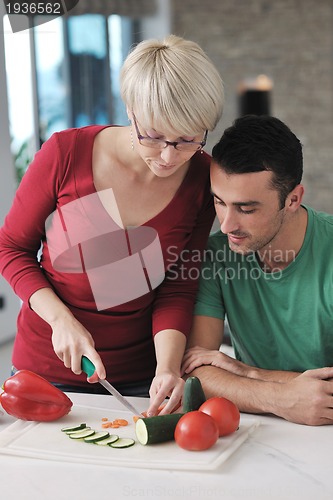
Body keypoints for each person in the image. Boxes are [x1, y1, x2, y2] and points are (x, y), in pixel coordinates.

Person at [0, 35, 224, 416]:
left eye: (188, 140)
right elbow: (11, 249)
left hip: (142, 382)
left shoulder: (202, 179)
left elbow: (178, 285)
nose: (169, 157)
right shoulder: (64, 154)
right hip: (45, 372)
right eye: (153, 136)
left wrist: (168, 368)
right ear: (131, 109)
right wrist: (62, 322)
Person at [182, 115, 333, 426]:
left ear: (293, 199)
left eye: (246, 209)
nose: (226, 225)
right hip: (259, 429)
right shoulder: (217, 254)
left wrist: (246, 373)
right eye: (220, 202)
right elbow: (198, 372)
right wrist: (280, 399)